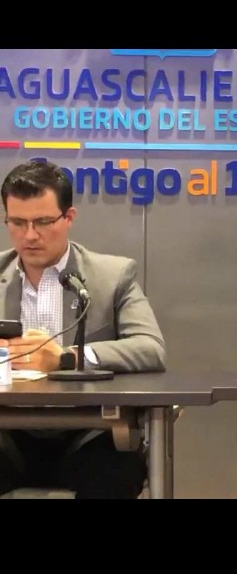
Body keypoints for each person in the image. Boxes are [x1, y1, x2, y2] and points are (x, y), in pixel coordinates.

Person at [0, 159, 166, 499]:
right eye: (17, 222)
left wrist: (66, 358)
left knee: (117, 472)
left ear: (69, 217)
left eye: (43, 222)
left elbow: (150, 348)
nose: (30, 235)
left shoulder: (112, 276)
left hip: (90, 432)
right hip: (7, 434)